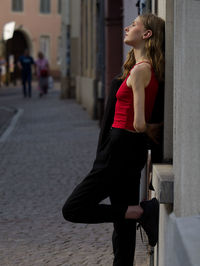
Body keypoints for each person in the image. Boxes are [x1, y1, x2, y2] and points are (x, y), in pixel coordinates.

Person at [62, 13, 165, 266]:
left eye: (135, 25)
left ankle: (140, 211)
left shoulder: (141, 71)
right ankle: (134, 215)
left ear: (147, 34)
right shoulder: (146, 69)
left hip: (120, 148)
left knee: (73, 208)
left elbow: (139, 123)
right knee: (123, 231)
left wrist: (148, 129)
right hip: (131, 151)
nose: (128, 27)